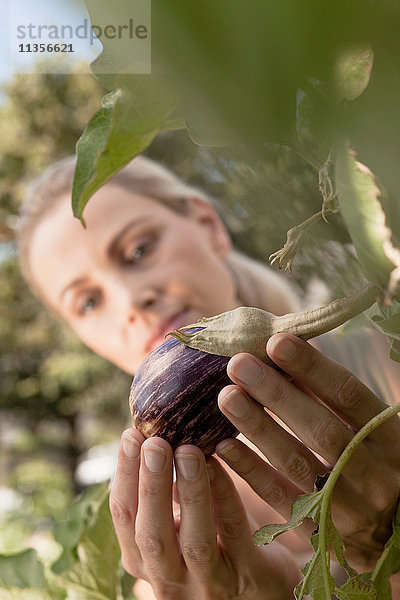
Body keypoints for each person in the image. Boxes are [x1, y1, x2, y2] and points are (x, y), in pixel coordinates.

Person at [18, 154, 400, 599]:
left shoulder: (389, 360)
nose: (130, 300)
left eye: (139, 250)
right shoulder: (164, 544)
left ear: (208, 225)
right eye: (87, 302)